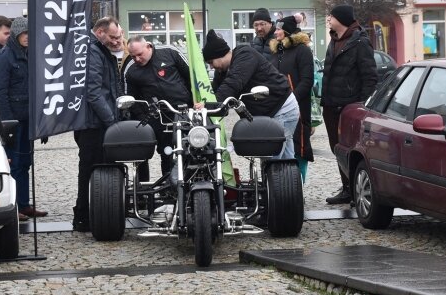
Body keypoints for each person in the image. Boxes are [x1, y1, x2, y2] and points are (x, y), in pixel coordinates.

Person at [203, 29, 299, 161]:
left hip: (281, 110)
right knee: (286, 160)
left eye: (211, 62)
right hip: (269, 113)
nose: (212, 67)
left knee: (272, 161)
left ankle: (279, 180)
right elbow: (215, 93)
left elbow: (233, 84)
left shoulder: (244, 55)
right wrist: (202, 104)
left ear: (219, 55)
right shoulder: (223, 71)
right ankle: (293, 181)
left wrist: (208, 107)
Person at [321, 4, 378, 205]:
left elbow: (370, 77)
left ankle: (356, 190)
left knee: (352, 149)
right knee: (337, 148)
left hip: (349, 106)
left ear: (341, 19)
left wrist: (362, 106)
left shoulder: (360, 42)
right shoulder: (334, 40)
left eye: (331, 16)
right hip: (331, 105)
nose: (328, 18)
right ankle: (347, 188)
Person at [0, 17, 47, 221]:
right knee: (14, 164)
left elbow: (37, 90)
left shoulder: (30, 55)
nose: (27, 38)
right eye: (24, 34)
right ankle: (14, 206)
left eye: (30, 34)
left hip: (29, 118)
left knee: (25, 163)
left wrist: (42, 123)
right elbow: (1, 93)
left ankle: (24, 204)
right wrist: (8, 125)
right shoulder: (4, 57)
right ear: (16, 35)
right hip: (14, 120)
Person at [72, 16, 123, 232]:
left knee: (102, 169)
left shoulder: (101, 50)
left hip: (99, 121)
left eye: (119, 36)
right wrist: (112, 121)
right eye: (113, 37)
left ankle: (98, 214)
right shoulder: (92, 51)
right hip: (93, 124)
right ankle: (83, 217)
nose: (117, 41)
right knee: (90, 170)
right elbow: (93, 93)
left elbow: (112, 87)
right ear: (100, 32)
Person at [123, 36, 192, 176]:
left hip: (183, 111)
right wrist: (144, 117)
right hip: (158, 116)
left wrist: (194, 102)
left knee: (190, 147)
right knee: (165, 151)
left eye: (139, 54)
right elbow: (131, 98)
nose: (136, 59)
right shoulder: (131, 69)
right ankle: (168, 183)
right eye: (132, 56)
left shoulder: (170, 52)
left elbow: (191, 76)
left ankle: (190, 181)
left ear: (148, 46)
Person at [267, 14, 315, 181]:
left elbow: (307, 80)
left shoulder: (303, 51)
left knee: (298, 145)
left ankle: (297, 184)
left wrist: (290, 100)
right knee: (277, 144)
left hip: (298, 108)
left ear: (287, 31)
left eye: (279, 29)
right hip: (276, 108)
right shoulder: (275, 52)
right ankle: (277, 184)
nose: (276, 32)